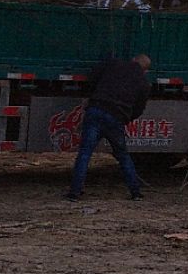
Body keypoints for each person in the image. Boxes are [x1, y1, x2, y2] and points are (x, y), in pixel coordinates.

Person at [65, 54, 151, 201]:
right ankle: (135, 192)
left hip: (96, 110)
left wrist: (91, 97)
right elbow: (139, 108)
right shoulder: (144, 83)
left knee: (85, 153)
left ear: (132, 59)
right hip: (116, 118)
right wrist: (126, 118)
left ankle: (74, 193)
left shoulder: (114, 64)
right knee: (123, 156)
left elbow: (93, 79)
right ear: (145, 71)